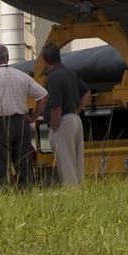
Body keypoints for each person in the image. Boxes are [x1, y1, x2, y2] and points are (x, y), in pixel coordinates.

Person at [0, 43, 47, 189]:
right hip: (21, 122)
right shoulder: (22, 76)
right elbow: (43, 96)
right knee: (23, 163)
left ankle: (0, 191)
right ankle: (25, 191)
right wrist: (33, 118)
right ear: (7, 57)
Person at [41, 42, 91, 187]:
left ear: (45, 60)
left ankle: (71, 192)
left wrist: (54, 126)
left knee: (65, 162)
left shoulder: (53, 78)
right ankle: (79, 189)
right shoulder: (70, 72)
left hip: (62, 121)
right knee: (77, 160)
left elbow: (56, 106)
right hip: (75, 119)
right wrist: (77, 110)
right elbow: (86, 92)